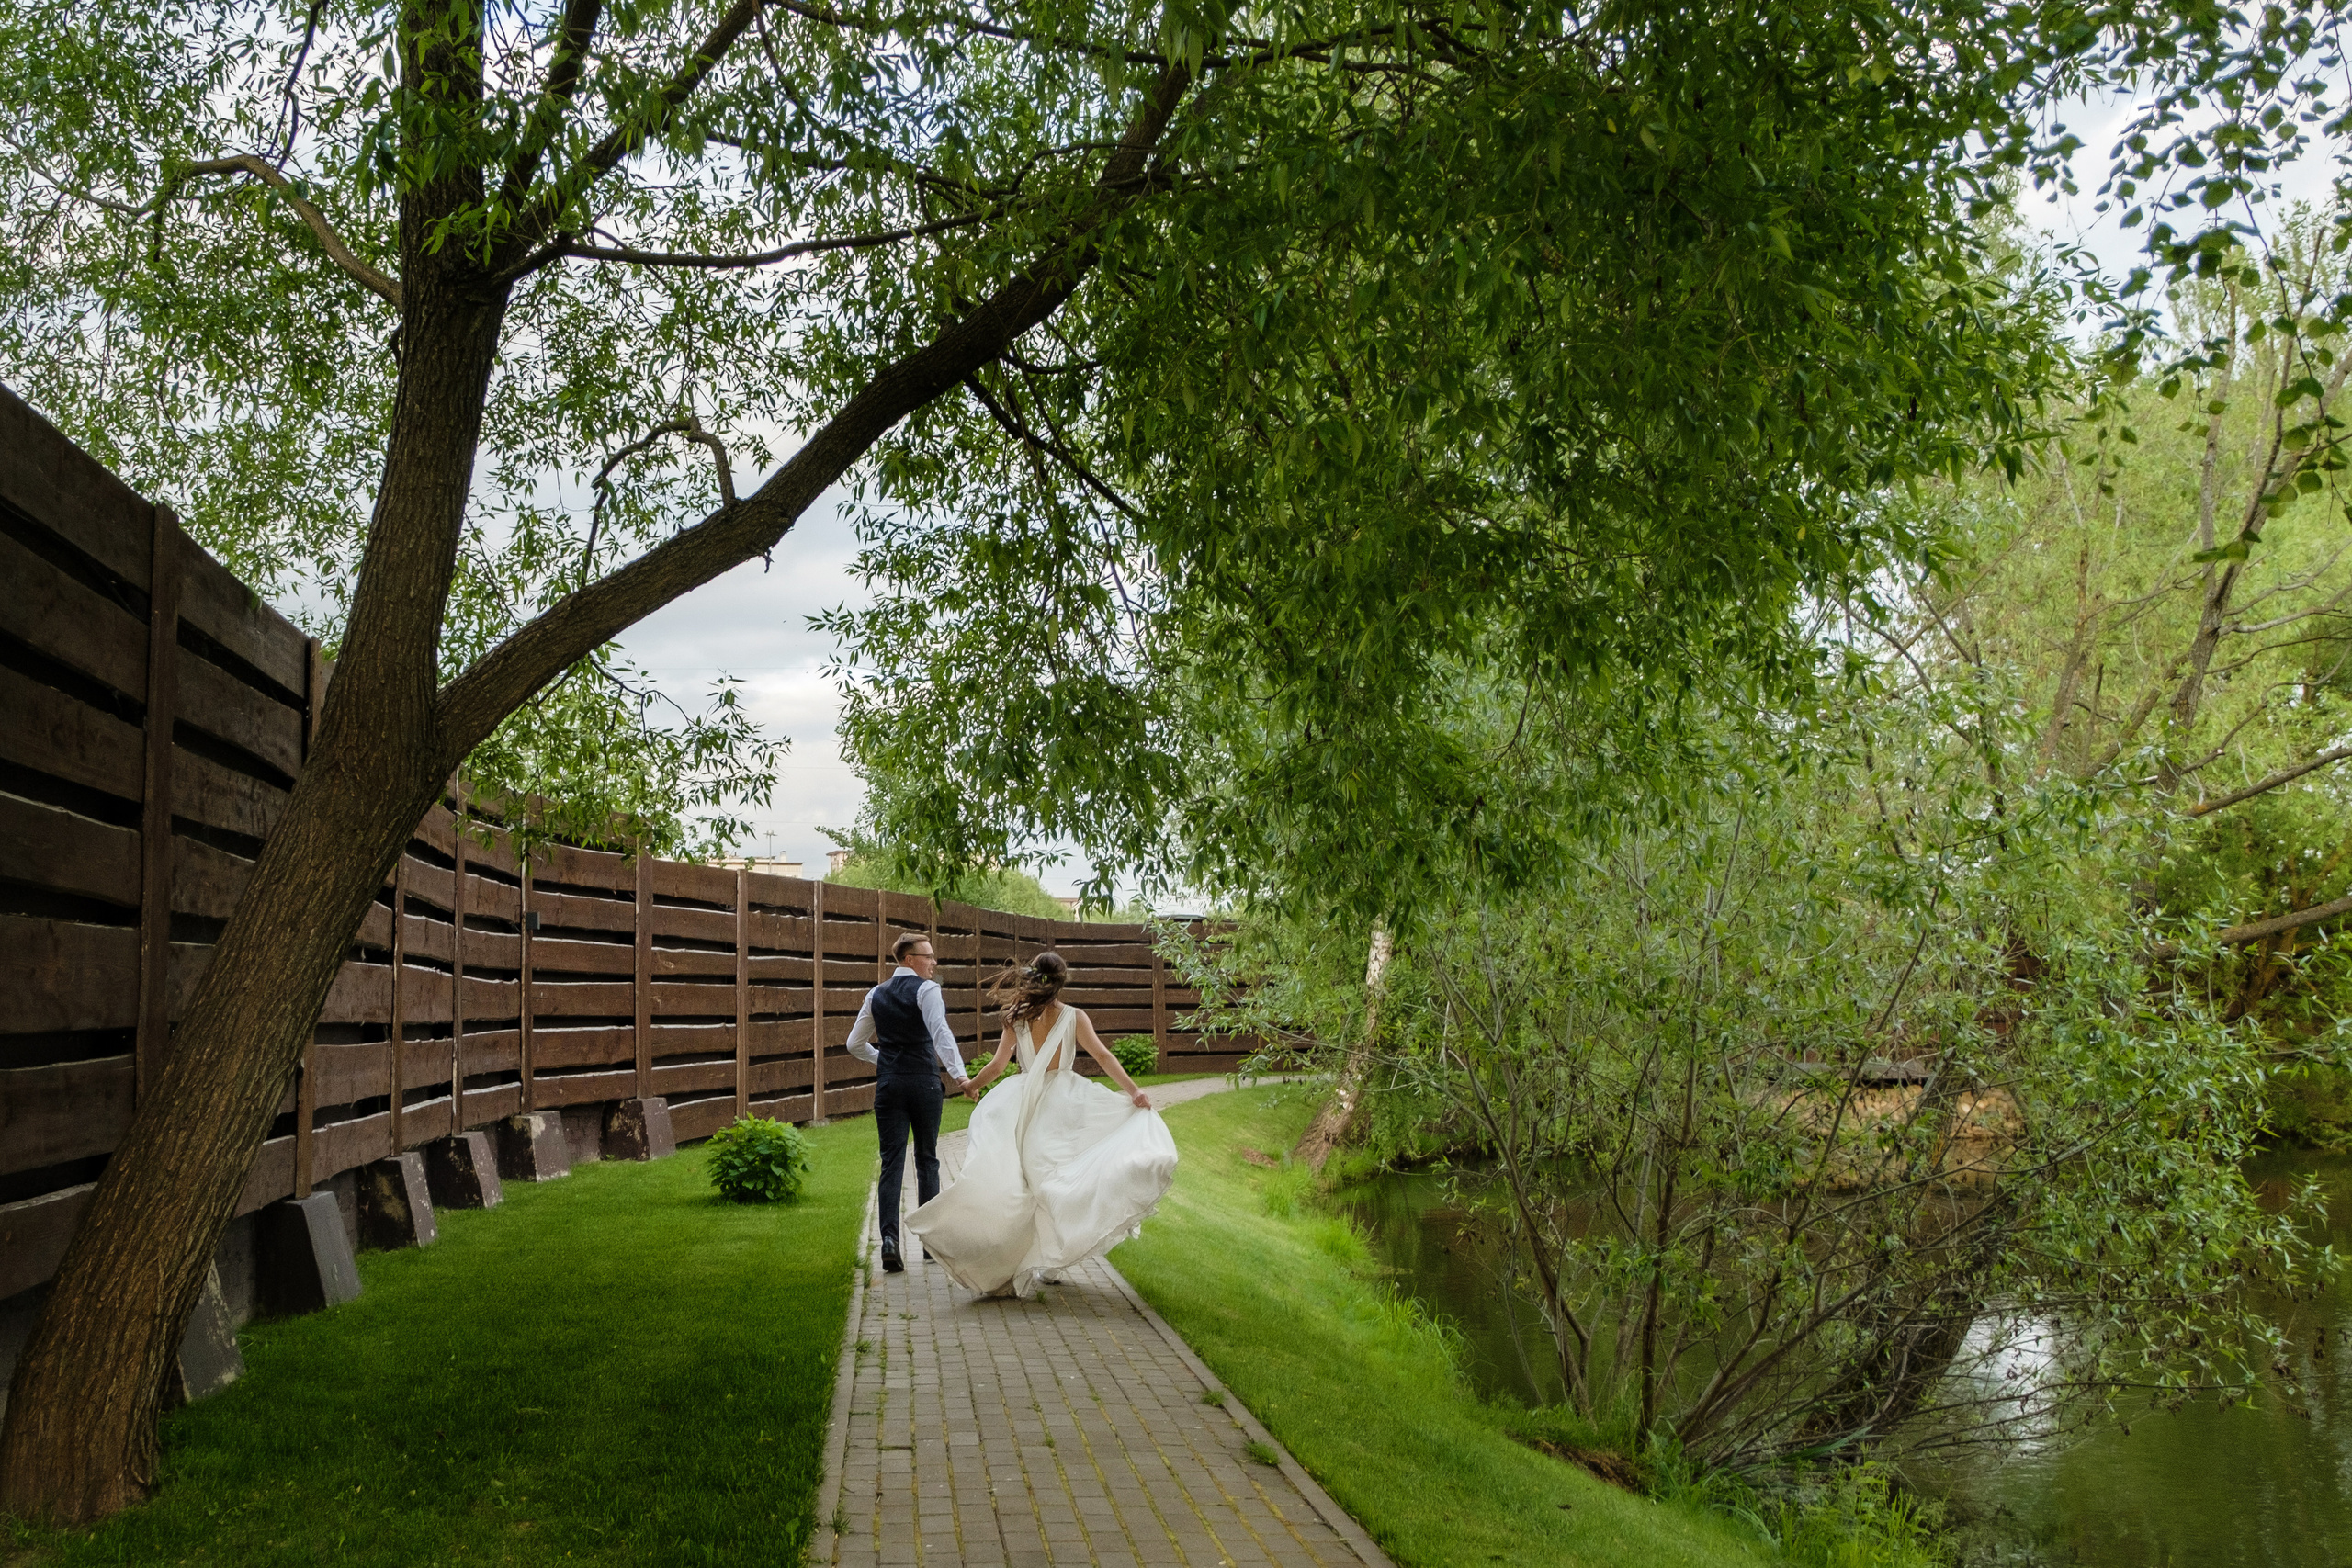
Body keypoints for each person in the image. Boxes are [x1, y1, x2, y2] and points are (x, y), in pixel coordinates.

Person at [907, 951, 1177, 1298]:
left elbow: (999, 1063)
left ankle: (1030, 1256)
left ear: (1032, 978)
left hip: (1022, 1104)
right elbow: (1103, 1056)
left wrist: (972, 1085)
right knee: (1056, 1178)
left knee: (1027, 1181)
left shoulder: (1016, 1017)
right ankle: (1049, 1259)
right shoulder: (1075, 1017)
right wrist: (1134, 1091)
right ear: (1062, 981)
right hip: (1064, 1103)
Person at [846, 931, 973, 1273]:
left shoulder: (876, 993)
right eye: (928, 956)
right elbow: (940, 1032)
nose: (934, 962)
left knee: (892, 1162)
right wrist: (960, 1076)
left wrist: (885, 1060)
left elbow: (854, 1044)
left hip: (889, 1085)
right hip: (923, 1083)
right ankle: (930, 1244)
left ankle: (889, 1241)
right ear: (908, 959)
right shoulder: (927, 990)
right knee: (927, 1159)